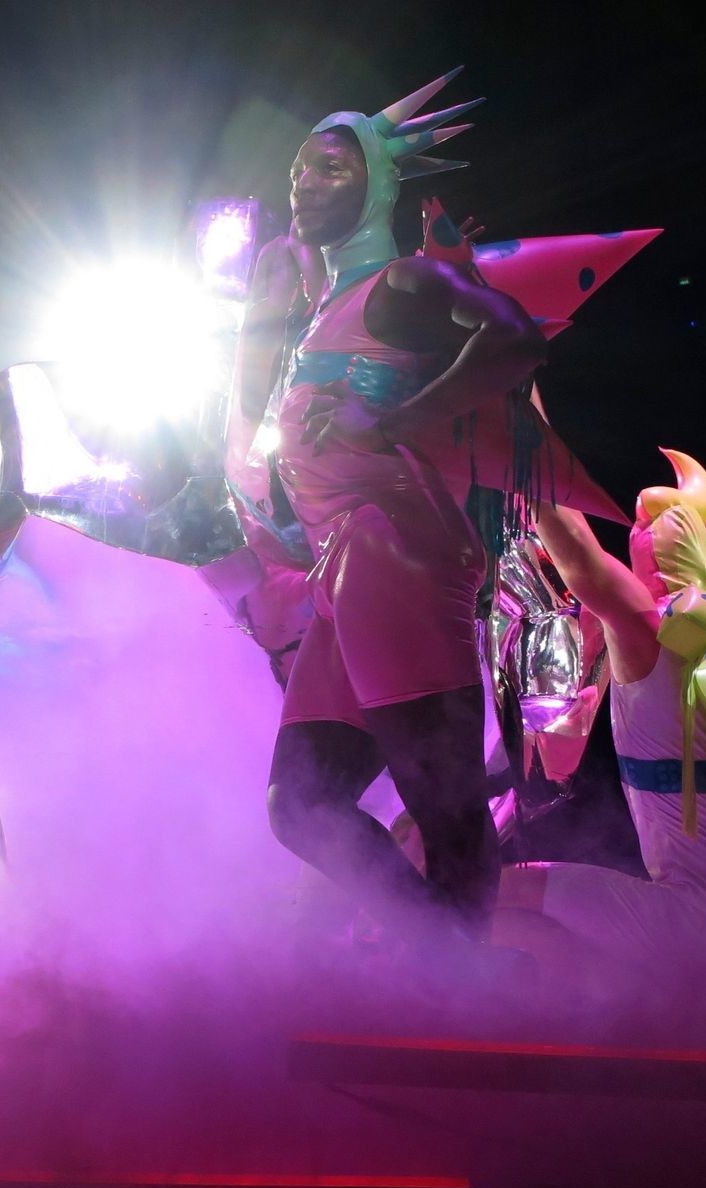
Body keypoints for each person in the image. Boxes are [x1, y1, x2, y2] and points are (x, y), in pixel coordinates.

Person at [255, 69, 564, 955]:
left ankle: (455, 986)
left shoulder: (399, 283)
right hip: (343, 565)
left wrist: (394, 421)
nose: (305, 183)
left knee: (446, 807)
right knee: (300, 805)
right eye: (299, 169)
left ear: (380, 184)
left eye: (331, 167)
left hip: (394, 551)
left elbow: (514, 336)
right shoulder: (327, 308)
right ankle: (439, 965)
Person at [499, 450, 706, 980]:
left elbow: (579, 555)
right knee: (566, 937)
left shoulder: (651, 632)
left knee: (495, 891)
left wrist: (522, 436)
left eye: (641, 542)